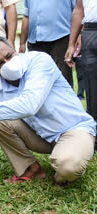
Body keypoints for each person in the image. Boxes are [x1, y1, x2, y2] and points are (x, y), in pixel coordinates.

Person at [0, 36, 96, 214]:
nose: (9, 64)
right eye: (0, 64)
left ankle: (65, 164)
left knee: (68, 166)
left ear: (16, 50)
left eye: (10, 56)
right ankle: (31, 169)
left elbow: (30, 105)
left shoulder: (39, 61)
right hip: (42, 137)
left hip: (74, 129)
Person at [65, 0, 97, 151]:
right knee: (92, 89)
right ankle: (94, 141)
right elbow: (79, 10)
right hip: (90, 32)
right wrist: (72, 44)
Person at [19, 0, 75, 86]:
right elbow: (26, 16)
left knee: (63, 79)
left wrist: (76, 39)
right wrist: (22, 43)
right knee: (38, 80)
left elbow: (78, 11)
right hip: (35, 41)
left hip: (61, 37)